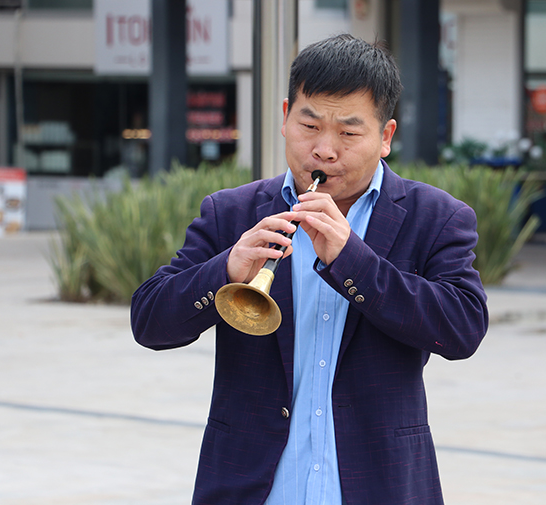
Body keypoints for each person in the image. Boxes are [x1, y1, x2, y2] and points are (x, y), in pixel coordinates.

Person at [131, 34, 488, 505]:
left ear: (386, 137)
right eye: (310, 125)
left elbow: (461, 331)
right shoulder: (230, 212)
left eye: (349, 132)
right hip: (252, 488)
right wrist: (227, 269)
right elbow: (150, 322)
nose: (323, 150)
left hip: (379, 487)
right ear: (284, 117)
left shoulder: (437, 217)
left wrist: (352, 260)